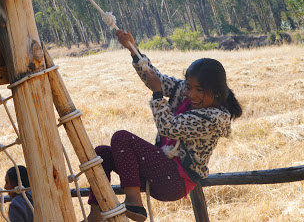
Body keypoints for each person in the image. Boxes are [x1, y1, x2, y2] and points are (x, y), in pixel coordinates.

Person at [86, 30, 242, 222]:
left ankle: (134, 202)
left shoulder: (214, 119)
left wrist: (158, 95)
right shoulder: (183, 92)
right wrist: (134, 51)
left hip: (174, 182)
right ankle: (95, 216)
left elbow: (168, 127)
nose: (191, 94)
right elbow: (154, 78)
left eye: (199, 90)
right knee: (102, 154)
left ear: (216, 92)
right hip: (160, 171)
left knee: (121, 137)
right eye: (189, 87)